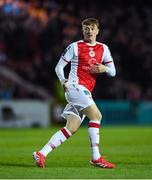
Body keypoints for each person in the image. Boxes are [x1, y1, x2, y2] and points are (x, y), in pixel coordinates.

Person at [33, 18, 116, 169]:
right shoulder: (75, 47)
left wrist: (105, 69)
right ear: (82, 30)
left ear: (97, 31)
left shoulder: (103, 48)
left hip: (85, 92)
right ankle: (96, 157)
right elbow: (59, 67)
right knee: (96, 116)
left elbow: (113, 72)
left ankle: (41, 153)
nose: (89, 31)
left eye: (92, 28)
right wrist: (63, 80)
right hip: (74, 87)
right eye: (86, 28)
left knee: (71, 128)